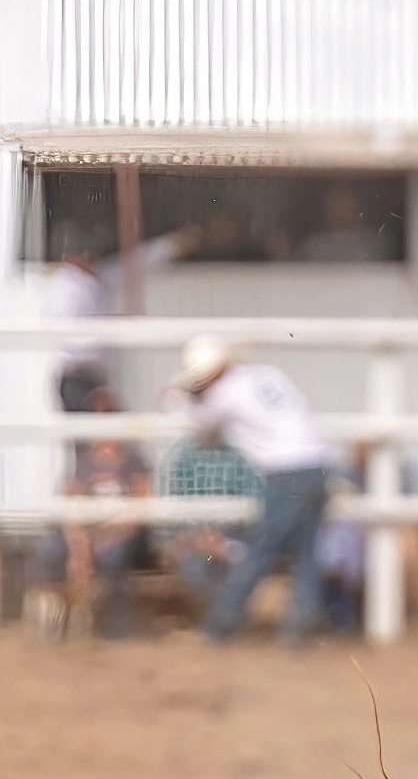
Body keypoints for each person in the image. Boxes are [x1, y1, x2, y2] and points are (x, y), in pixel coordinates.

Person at [169, 336, 332, 643]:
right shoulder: (266, 374)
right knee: (306, 552)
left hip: (286, 473)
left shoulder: (224, 394)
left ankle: (221, 625)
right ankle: (300, 628)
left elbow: (200, 424)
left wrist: (182, 397)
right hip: (317, 464)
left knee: (260, 551)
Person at [36, 386, 154, 639]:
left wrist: (106, 537)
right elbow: (70, 504)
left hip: (122, 533)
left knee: (113, 555)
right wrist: (80, 547)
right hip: (86, 532)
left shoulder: (135, 462)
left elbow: (142, 508)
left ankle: (118, 625)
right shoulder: (83, 463)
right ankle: (56, 621)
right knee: (50, 550)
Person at [42, 226, 202, 410]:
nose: (91, 258)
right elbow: (72, 335)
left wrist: (170, 245)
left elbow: (133, 264)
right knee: (90, 432)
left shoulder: (95, 277)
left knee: (100, 431)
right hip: (76, 376)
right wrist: (114, 323)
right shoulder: (64, 288)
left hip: (95, 376)